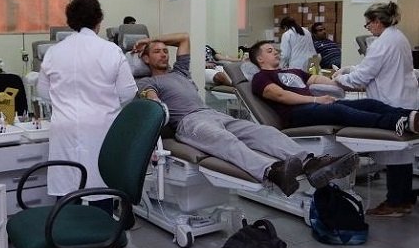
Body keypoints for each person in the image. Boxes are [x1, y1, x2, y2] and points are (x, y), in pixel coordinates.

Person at [133, 32, 357, 197]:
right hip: (188, 122)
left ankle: (310, 162)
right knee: (224, 140)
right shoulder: (147, 81)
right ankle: (272, 172)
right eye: (156, 52)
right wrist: (152, 99)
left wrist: (152, 40)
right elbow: (151, 101)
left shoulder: (180, 71)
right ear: (145, 59)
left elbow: (184, 38)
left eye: (165, 50)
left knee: (264, 132)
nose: (163, 54)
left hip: (213, 114)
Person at [38, 0, 137, 248]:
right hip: (101, 126)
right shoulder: (110, 50)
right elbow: (128, 92)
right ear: (99, 20)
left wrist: (67, 104)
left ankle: (64, 238)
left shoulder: (54, 52)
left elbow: (43, 92)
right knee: (99, 180)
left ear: (70, 21)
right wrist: (104, 104)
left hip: (64, 127)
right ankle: (101, 243)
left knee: (66, 180)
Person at [333, 1, 419, 217]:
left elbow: (362, 77)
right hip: (405, 98)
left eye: (368, 23)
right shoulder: (398, 37)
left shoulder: (382, 43)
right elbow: (373, 67)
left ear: (378, 21)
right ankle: (404, 199)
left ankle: (395, 203)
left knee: (395, 154)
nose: (368, 27)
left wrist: (339, 79)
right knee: (402, 153)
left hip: (391, 101)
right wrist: (349, 69)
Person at [248, 40, 418, 136]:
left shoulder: (292, 70)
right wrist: (316, 99)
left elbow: (316, 78)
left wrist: (345, 81)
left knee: (369, 103)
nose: (276, 52)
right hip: (296, 114)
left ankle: (410, 115)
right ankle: (397, 123)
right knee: (339, 111)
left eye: (275, 49)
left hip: (314, 106)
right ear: (260, 59)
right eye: (270, 51)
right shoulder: (260, 78)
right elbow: (280, 95)